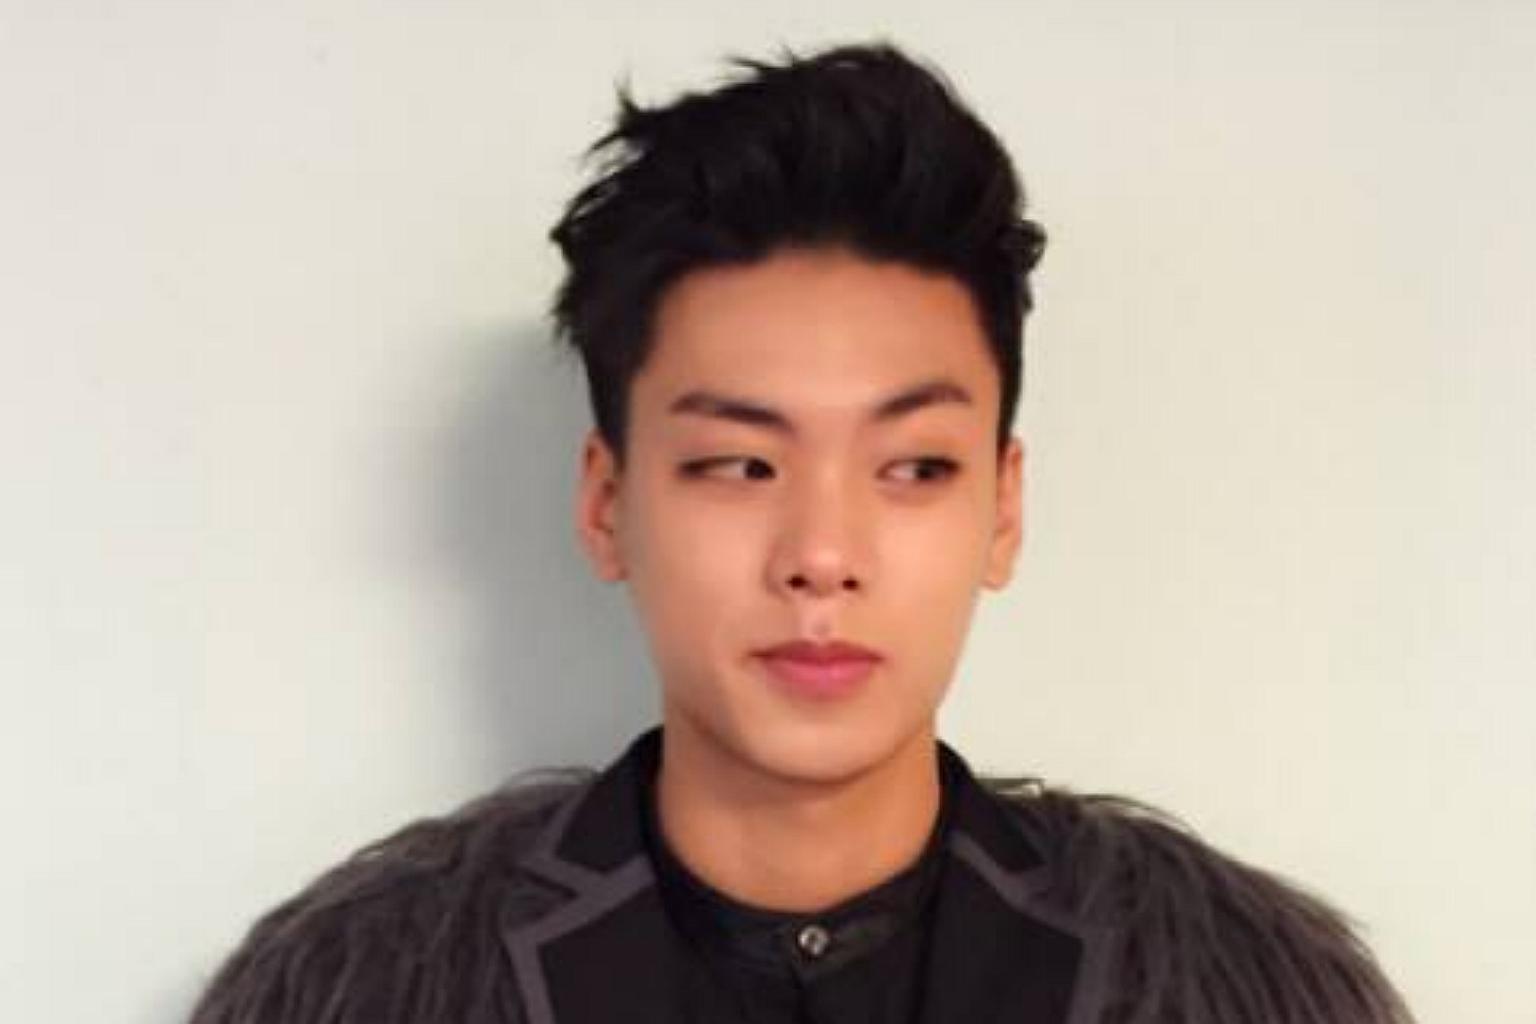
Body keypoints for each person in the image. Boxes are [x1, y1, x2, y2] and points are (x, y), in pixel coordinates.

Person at [187, 42, 1413, 1024]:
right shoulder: (362, 985)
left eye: (914, 467)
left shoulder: (1248, 991)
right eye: (739, 464)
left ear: (1003, 508)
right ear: (608, 504)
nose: (822, 554)